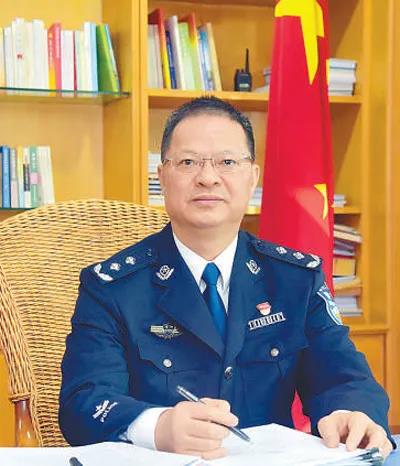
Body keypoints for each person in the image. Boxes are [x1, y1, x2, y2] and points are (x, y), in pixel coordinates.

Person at [59, 96, 394, 460]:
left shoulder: (295, 279)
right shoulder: (112, 287)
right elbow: (84, 402)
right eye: (188, 162)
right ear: (162, 177)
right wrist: (157, 427)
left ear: (253, 178)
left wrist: (351, 413)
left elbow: (344, 376)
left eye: (227, 162)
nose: (207, 177)